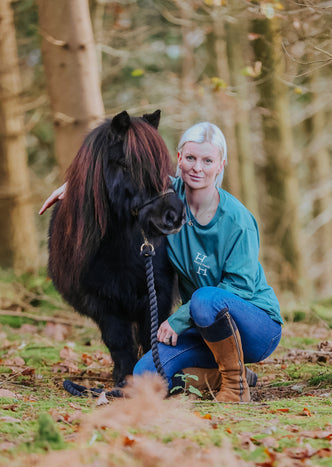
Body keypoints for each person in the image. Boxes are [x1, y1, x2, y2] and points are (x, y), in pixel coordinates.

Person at [40, 122, 283, 403]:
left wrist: (179, 318)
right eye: (190, 158)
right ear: (178, 159)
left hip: (254, 326)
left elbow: (238, 288)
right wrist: (79, 184)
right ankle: (218, 374)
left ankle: (235, 386)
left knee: (205, 299)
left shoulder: (238, 220)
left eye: (207, 160)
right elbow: (127, 178)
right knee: (144, 375)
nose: (197, 167)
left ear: (221, 165)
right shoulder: (167, 199)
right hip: (204, 328)